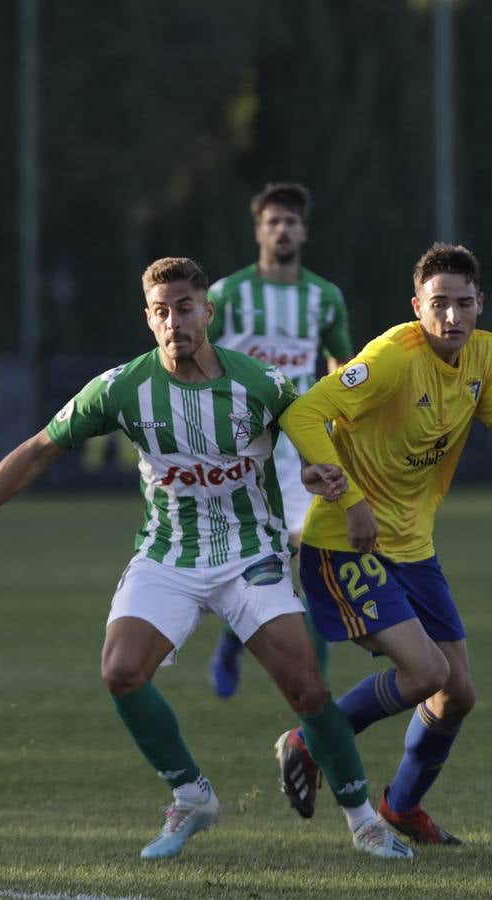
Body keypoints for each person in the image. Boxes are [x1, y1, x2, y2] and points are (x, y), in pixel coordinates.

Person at [0, 257, 411, 861]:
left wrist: (324, 478)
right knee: (120, 672)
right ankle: (191, 795)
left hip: (251, 552)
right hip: (167, 555)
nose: (174, 320)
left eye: (184, 307)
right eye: (161, 311)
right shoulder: (124, 387)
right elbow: (39, 449)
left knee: (308, 690)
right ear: (149, 321)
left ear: (207, 311)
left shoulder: (262, 383)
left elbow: (316, 442)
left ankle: (364, 821)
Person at [270, 243, 492, 845]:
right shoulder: (391, 357)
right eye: (439, 305)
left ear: (480, 304)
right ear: (417, 306)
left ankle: (401, 807)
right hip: (344, 546)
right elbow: (303, 414)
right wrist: (351, 500)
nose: (453, 318)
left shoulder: (485, 356)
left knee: (458, 693)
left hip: (414, 549)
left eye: (464, 304)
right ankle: (311, 738)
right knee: (428, 670)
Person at [205, 182, 355, 698]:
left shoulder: (324, 297)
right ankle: (231, 641)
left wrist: (342, 422)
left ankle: (317, 689)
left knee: (315, 562)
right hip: (239, 448)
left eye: (291, 221)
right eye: (273, 221)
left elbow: (343, 367)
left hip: (299, 449)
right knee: (258, 566)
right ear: (258, 231)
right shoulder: (225, 295)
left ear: (303, 230)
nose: (283, 229)